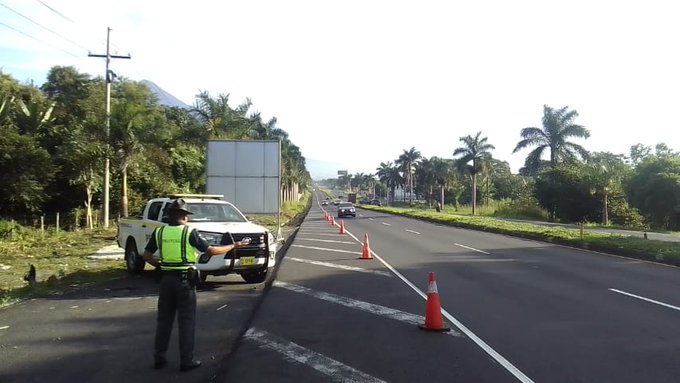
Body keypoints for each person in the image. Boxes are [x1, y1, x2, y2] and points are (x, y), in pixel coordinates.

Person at [142, 198, 250, 372]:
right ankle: (186, 361)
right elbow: (211, 250)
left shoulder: (159, 232)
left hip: (166, 281)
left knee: (164, 321)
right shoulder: (189, 233)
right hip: (184, 282)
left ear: (169, 216)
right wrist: (234, 245)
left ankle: (159, 358)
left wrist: (161, 266)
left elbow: (147, 255)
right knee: (186, 321)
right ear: (183, 216)